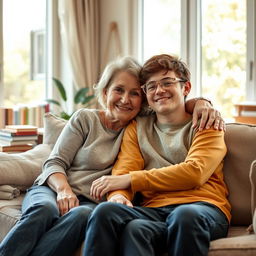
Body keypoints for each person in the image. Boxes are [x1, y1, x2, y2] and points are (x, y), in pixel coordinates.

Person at [0, 56, 222, 256]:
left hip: (93, 201)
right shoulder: (90, 120)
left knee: (81, 216)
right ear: (105, 92)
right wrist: (71, 191)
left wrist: (201, 102)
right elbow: (57, 161)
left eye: (135, 93)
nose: (126, 99)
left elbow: (186, 168)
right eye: (119, 90)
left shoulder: (145, 124)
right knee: (44, 209)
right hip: (55, 188)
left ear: (142, 100)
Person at [84, 54, 231, 256]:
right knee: (106, 213)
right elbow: (125, 168)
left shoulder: (207, 123)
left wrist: (130, 180)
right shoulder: (137, 127)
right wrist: (118, 195)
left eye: (167, 83)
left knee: (184, 215)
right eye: (151, 86)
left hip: (203, 208)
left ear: (185, 88)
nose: (159, 90)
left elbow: (194, 173)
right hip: (155, 211)